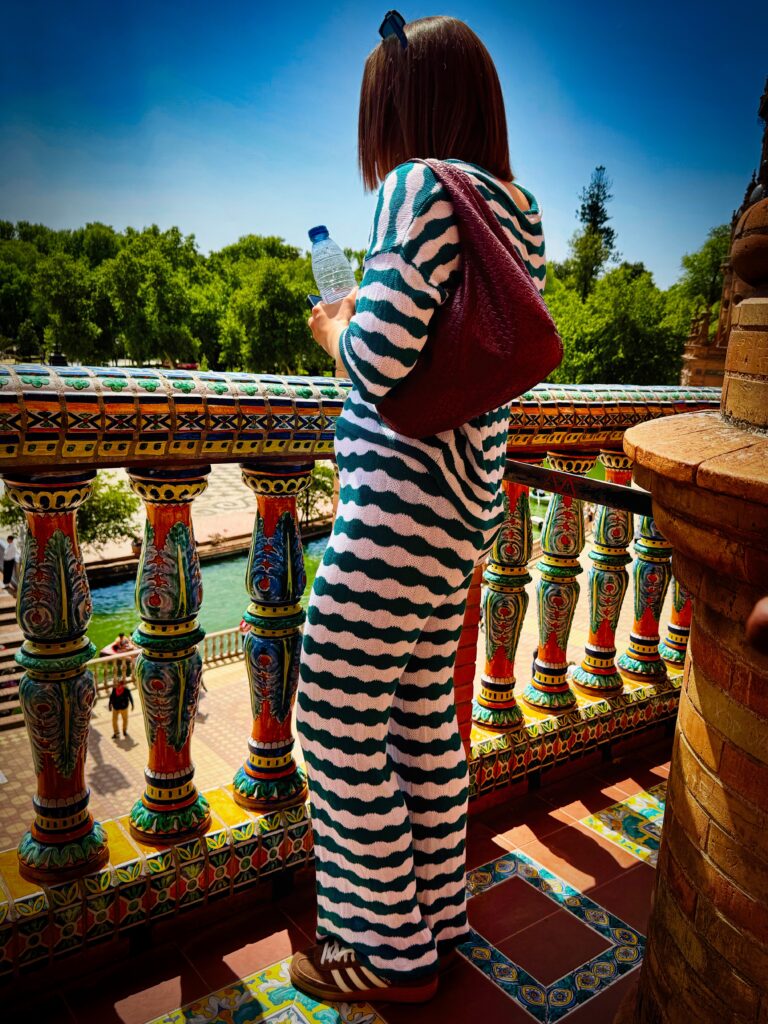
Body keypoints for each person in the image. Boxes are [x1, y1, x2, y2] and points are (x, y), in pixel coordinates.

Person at [290, 13, 548, 1006]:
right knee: (417, 723)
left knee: (334, 720)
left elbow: (384, 356)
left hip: (394, 508)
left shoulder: (416, 188)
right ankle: (439, 915)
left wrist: (335, 324)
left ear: (404, 108)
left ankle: (388, 951)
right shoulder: (512, 207)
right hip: (461, 512)